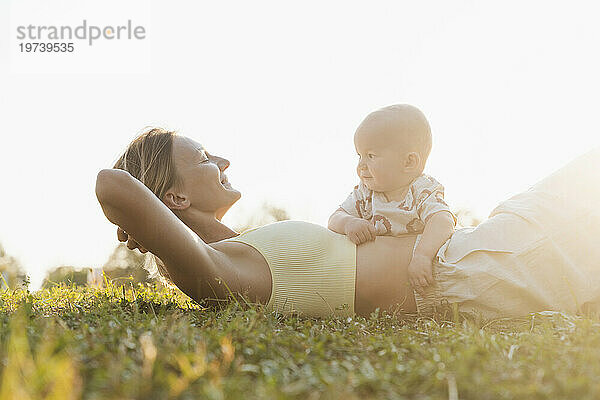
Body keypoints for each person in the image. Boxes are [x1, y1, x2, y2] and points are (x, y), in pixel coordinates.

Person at [96, 127, 600, 320]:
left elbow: (141, 205)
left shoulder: (236, 251)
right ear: (174, 195)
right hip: (471, 269)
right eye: (204, 156)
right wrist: (144, 222)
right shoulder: (223, 273)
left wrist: (150, 223)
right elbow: (110, 184)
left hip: (475, 253)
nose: (223, 159)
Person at [327, 105, 457, 297]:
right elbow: (335, 218)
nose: (361, 165)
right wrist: (349, 222)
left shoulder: (422, 190)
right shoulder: (365, 194)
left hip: (412, 277)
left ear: (409, 162)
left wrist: (422, 256)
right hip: (375, 277)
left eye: (370, 156)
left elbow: (443, 221)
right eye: (359, 156)